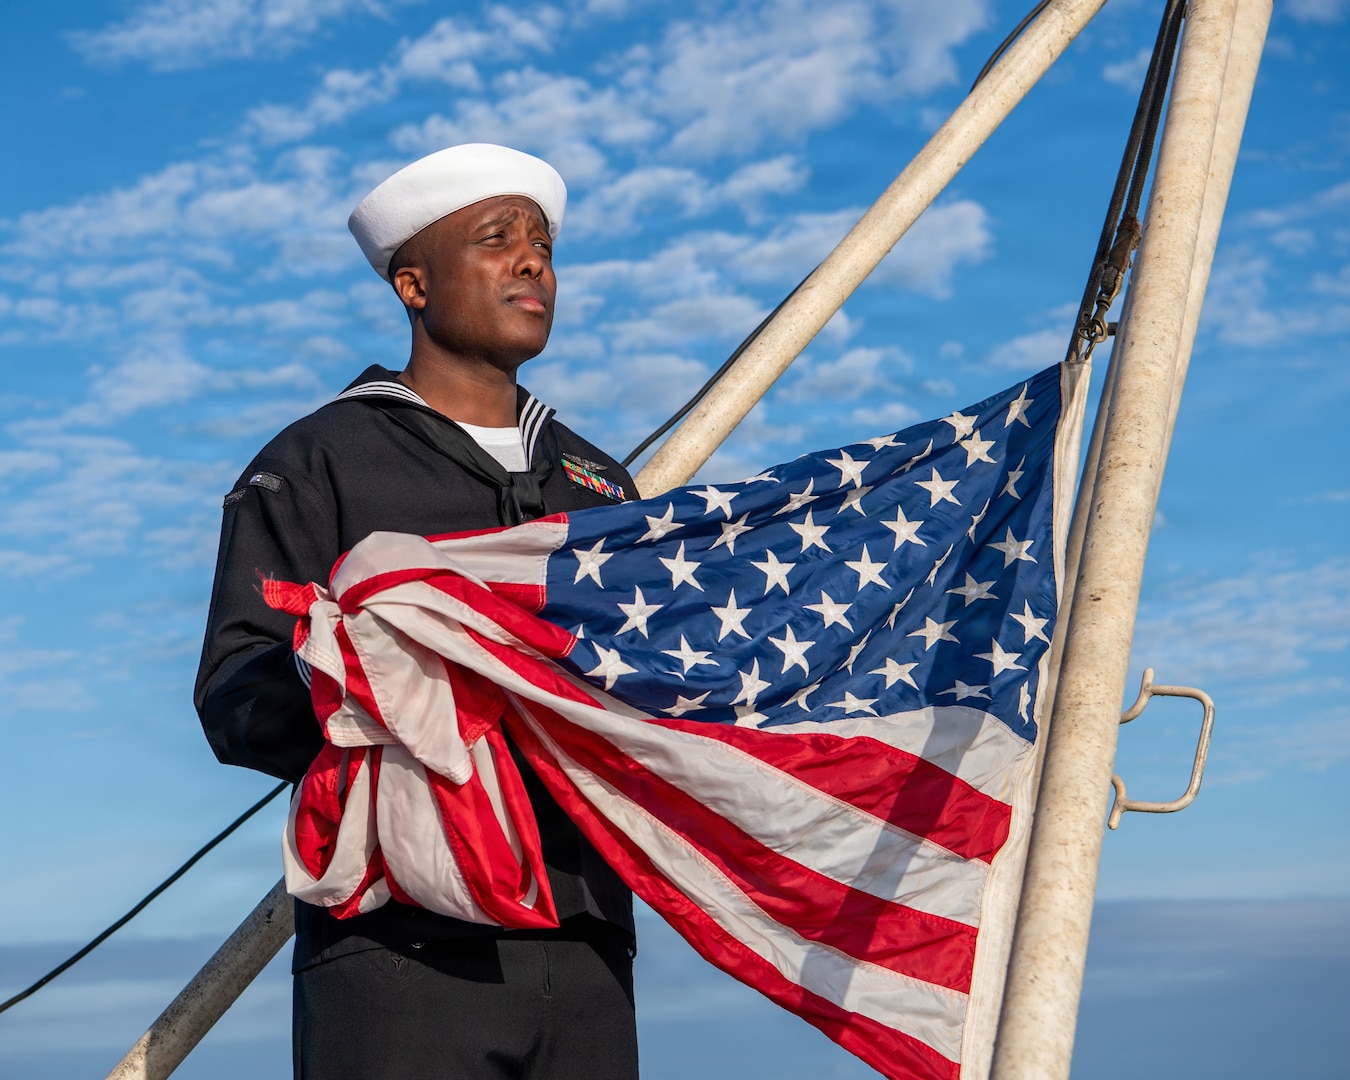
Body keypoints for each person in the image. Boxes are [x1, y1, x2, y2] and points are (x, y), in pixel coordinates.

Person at [194, 143, 641, 1080]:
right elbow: (236, 694)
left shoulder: (599, 483)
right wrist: (374, 667)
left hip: (587, 940)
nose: (533, 262)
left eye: (543, 245)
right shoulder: (321, 460)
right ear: (414, 284)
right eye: (497, 240)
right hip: (402, 950)